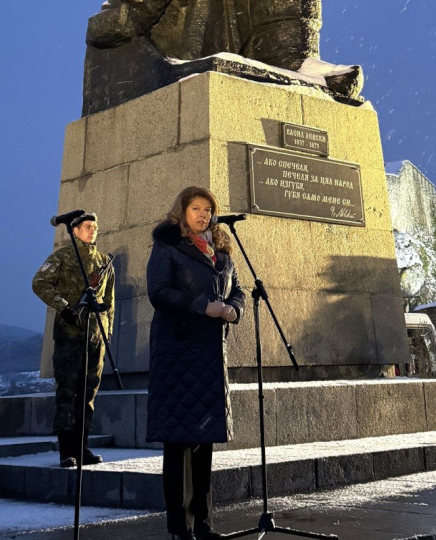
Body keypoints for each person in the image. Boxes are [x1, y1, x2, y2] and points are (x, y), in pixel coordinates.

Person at [146, 186, 245, 540]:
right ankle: (180, 528)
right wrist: (203, 305)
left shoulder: (221, 251)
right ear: (182, 212)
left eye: (208, 209)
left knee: (204, 442)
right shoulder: (168, 246)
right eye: (196, 208)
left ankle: (203, 525)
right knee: (178, 443)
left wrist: (235, 308)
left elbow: (238, 289)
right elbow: (158, 291)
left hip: (209, 354)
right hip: (178, 352)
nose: (203, 215)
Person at [32, 212, 115, 468]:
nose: (92, 231)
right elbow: (40, 282)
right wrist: (64, 306)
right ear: (76, 230)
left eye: (95, 227)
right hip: (69, 333)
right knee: (67, 392)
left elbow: (110, 300)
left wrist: (106, 331)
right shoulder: (62, 257)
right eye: (87, 227)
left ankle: (83, 448)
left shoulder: (104, 262)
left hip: (94, 336)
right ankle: (66, 450)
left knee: (88, 394)